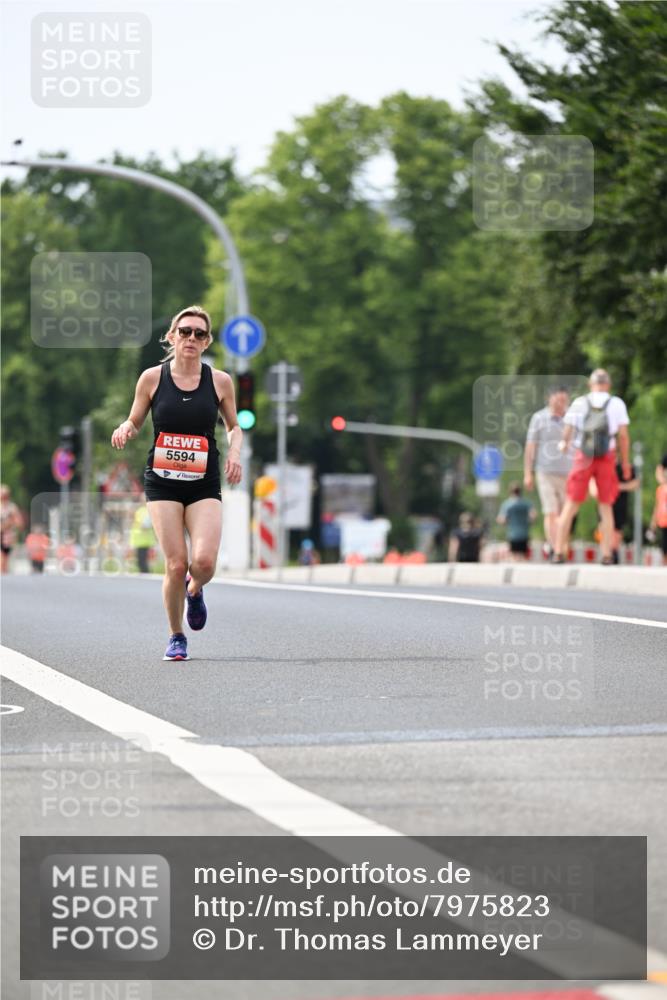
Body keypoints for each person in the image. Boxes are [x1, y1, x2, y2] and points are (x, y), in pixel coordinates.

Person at [111, 305, 242, 661]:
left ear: (207, 341)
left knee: (203, 563)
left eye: (199, 333)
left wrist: (234, 453)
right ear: (172, 336)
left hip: (203, 482)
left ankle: (194, 590)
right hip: (163, 482)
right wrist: (125, 427)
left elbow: (234, 426)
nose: (191, 338)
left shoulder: (220, 381)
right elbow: (135, 420)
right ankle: (176, 635)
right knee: (175, 563)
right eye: (185, 331)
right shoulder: (152, 378)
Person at [553, 369, 631, 565]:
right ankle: (606, 554)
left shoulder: (580, 402)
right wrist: (625, 463)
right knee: (606, 506)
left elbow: (567, 431)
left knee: (571, 503)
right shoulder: (616, 403)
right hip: (607, 456)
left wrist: (564, 444)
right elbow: (623, 436)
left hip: (583, 456)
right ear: (608, 384)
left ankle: (558, 551)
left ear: (590, 384)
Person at [524, 386, 572, 556]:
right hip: (545, 472)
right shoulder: (539, 418)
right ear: (550, 399)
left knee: (566, 513)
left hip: (568, 473)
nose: (561, 404)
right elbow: (531, 446)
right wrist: (528, 473)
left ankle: (561, 544)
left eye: (564, 401)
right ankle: (554, 547)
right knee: (551, 511)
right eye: (558, 400)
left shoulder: (573, 417)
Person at [590, 461, 639, 564]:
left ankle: (613, 551)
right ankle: (605, 551)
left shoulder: (626, 465)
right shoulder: (601, 463)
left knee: (617, 528)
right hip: (604, 500)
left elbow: (635, 483)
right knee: (603, 525)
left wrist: (619, 486)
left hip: (620, 502)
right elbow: (593, 478)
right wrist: (594, 489)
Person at [496, 483, 536, 561]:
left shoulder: (507, 504)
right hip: (524, 533)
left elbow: (501, 519)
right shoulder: (526, 503)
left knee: (514, 556)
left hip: (513, 534)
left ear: (510, 492)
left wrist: (506, 523)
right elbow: (533, 516)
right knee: (524, 556)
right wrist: (528, 522)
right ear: (520, 492)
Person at [130, 494, 155, 573]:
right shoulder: (140, 510)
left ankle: (146, 577)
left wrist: (143, 526)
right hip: (139, 541)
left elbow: (146, 525)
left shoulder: (149, 510)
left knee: (143, 563)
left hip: (145, 542)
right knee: (140, 562)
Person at [0, 484, 23, 575]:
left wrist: (11, 522)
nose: (3, 497)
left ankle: (4, 575)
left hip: (7, 537)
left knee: (5, 557)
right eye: (2, 494)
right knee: (2, 557)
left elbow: (19, 523)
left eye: (5, 495)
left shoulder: (12, 507)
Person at [648, 476, 667, 566]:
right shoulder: (660, 489)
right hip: (663, 522)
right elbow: (657, 506)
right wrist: (653, 523)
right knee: (664, 546)